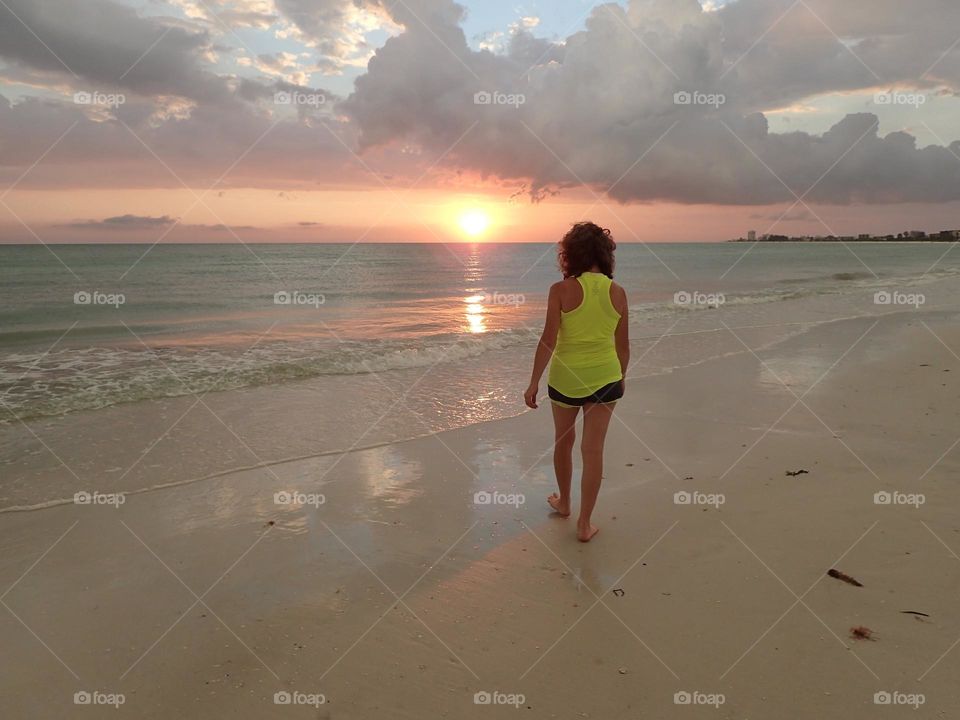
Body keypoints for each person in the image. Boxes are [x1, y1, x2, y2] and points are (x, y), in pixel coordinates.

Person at [524, 222, 629, 542]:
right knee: (593, 450)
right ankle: (585, 524)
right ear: (605, 255)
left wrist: (533, 383)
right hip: (607, 377)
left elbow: (548, 341)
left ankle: (565, 503)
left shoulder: (560, 290)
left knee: (563, 442)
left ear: (570, 254)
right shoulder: (618, 292)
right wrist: (617, 380)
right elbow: (623, 347)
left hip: (566, 379)